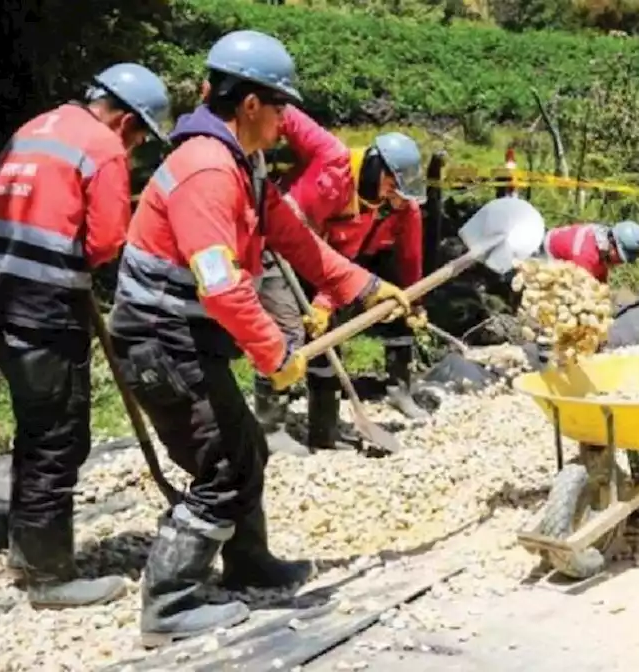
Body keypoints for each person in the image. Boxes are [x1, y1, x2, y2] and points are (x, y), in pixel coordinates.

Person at [105, 30, 411, 646]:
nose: (285, 122)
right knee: (224, 464)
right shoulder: (207, 173)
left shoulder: (244, 162)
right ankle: (169, 602)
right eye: (281, 108)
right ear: (249, 106)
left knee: (246, 449)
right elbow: (221, 286)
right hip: (160, 340)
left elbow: (292, 238)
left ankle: (249, 564)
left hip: (185, 336)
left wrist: (362, 286)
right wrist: (275, 354)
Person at [0, 63, 170, 609]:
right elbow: (107, 238)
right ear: (126, 121)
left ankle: (25, 546)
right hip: (43, 305)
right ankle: (49, 575)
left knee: (37, 424)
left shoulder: (35, 128)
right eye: (138, 138)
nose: (133, 149)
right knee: (58, 435)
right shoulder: (102, 149)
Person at [303, 132, 433, 441]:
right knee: (324, 329)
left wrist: (415, 298)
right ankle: (324, 419)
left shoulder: (406, 210)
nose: (399, 198)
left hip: (373, 259)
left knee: (400, 302)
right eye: (396, 190)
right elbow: (332, 256)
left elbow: (410, 256)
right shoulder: (352, 194)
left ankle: (399, 389)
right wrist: (325, 300)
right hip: (333, 258)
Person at [252, 104, 353, 438]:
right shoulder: (333, 156)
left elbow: (340, 263)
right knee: (284, 331)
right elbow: (286, 113)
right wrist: (264, 120)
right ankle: (271, 428)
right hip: (273, 244)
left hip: (309, 252)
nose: (389, 197)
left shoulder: (365, 213)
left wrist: (324, 304)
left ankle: (324, 428)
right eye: (387, 186)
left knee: (329, 335)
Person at [540, 220, 639, 283]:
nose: (620, 263)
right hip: (548, 254)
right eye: (620, 258)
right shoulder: (586, 255)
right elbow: (580, 289)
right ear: (612, 244)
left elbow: (601, 280)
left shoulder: (603, 240)